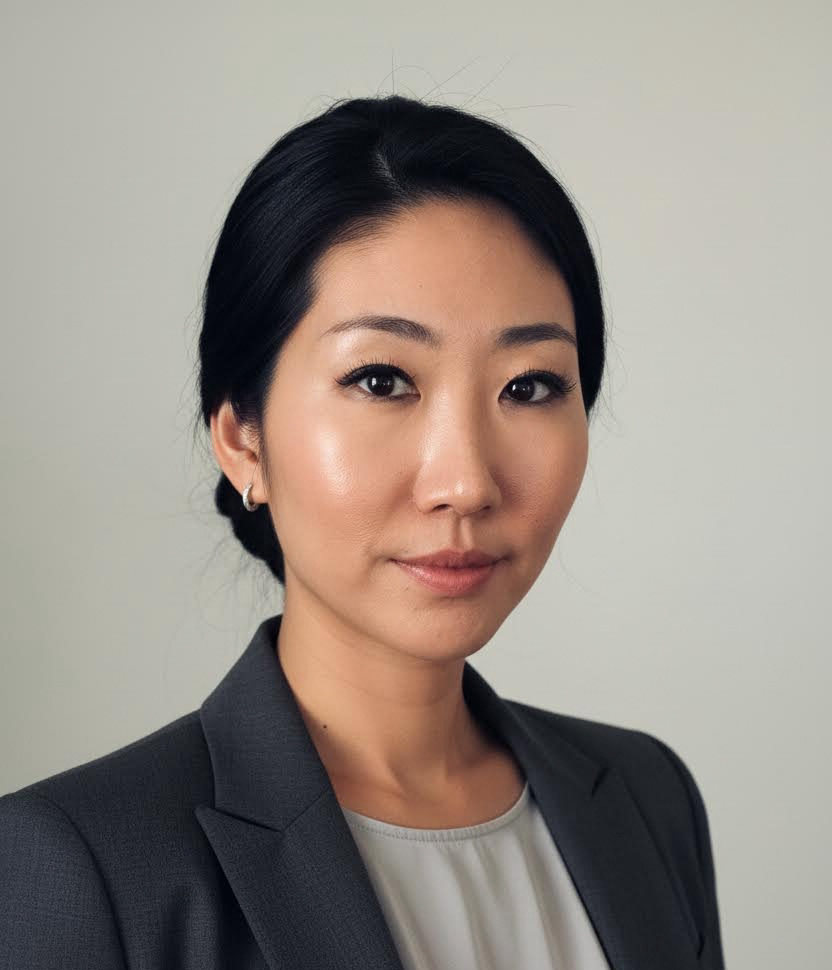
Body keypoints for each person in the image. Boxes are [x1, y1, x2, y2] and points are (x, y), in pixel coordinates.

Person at [0, 94, 725, 970]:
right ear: (242, 438)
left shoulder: (647, 799)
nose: (465, 481)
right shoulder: (82, 866)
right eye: (383, 380)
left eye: (530, 386)